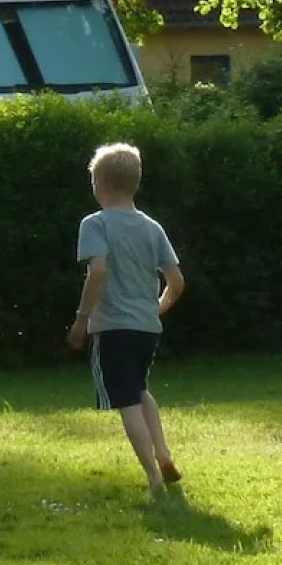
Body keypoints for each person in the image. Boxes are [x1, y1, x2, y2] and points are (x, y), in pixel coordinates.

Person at [67, 142, 185, 494]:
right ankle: (163, 452)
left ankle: (152, 476)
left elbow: (98, 271)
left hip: (112, 327)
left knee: (125, 400)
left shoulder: (95, 224)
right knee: (140, 388)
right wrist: (156, 307)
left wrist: (81, 319)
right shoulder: (153, 228)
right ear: (135, 182)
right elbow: (176, 282)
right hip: (147, 328)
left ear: (100, 185)